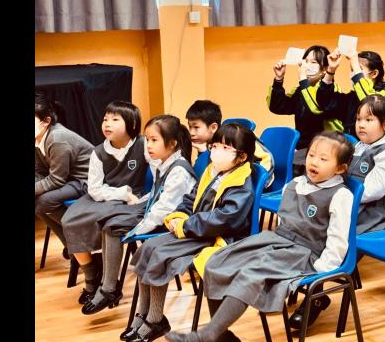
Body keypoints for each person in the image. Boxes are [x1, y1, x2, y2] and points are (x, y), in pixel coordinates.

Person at [165, 130, 355, 342]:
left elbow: (338, 240)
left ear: (340, 168)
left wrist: (322, 271)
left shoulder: (341, 195)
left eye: (323, 159)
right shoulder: (295, 184)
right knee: (216, 261)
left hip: (305, 254)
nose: (314, 162)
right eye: (311, 155)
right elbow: (284, 221)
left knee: (250, 276)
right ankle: (222, 336)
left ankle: (207, 335)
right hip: (278, 241)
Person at [122, 124, 258, 342]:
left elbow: (224, 219)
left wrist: (185, 226)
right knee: (147, 248)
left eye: (225, 147)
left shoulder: (241, 182)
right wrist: (178, 217)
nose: (217, 151)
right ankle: (144, 314)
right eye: (216, 145)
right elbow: (190, 199)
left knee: (160, 255)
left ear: (241, 157)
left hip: (218, 237)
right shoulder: (213, 172)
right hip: (197, 230)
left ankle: (155, 319)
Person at [289, 95, 385, 329]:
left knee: (326, 237)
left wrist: (336, 197)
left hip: (371, 215)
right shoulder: (358, 147)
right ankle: (296, 280)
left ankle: (316, 296)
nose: (361, 125)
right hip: (346, 205)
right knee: (305, 227)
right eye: (359, 119)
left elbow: (372, 191)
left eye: (369, 120)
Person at [81, 115, 197, 315]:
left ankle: (110, 289)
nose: (148, 145)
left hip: (170, 221)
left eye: (154, 140)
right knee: (109, 223)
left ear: (172, 143)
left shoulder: (179, 170)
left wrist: (137, 230)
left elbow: (164, 209)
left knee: (116, 228)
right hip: (156, 211)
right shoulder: (164, 162)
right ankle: (107, 285)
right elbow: (158, 194)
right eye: (148, 139)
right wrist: (141, 202)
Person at [61, 101, 149, 305]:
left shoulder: (143, 144)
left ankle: (105, 283)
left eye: (115, 119)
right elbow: (94, 188)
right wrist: (122, 193)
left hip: (133, 198)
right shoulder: (98, 152)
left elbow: (159, 170)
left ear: (131, 123)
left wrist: (133, 196)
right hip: (104, 195)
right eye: (105, 119)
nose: (107, 123)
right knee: (69, 221)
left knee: (107, 223)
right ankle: (91, 273)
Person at [268, 45, 342, 176]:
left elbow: (315, 108)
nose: (307, 66)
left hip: (326, 147)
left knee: (292, 171)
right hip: (303, 149)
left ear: (325, 68)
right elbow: (278, 107)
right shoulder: (301, 90)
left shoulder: (331, 90)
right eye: (306, 61)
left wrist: (303, 80)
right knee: (272, 165)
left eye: (313, 62)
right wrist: (279, 79)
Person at [35, 93, 93, 259]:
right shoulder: (38, 137)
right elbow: (39, 171)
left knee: (45, 201)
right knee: (38, 202)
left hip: (86, 180)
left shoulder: (57, 138)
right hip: (70, 180)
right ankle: (72, 246)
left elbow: (56, 179)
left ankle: (83, 234)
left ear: (46, 121)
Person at [316, 48, 385, 139]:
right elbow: (325, 102)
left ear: (374, 74)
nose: (354, 74)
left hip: (378, 146)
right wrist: (330, 71)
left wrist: (355, 65)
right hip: (352, 146)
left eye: (358, 69)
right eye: (352, 70)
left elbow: (371, 103)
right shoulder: (353, 97)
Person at [186, 100, 274, 185]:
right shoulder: (209, 145)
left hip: (251, 183)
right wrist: (203, 153)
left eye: (196, 127)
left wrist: (257, 183)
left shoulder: (237, 137)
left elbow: (266, 159)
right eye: (190, 127)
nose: (191, 133)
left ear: (213, 127)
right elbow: (203, 177)